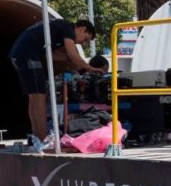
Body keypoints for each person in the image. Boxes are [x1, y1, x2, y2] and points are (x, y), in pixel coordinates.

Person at [9, 19, 105, 151]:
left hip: (20, 54)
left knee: (33, 98)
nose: (83, 42)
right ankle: (43, 140)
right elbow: (73, 55)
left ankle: (36, 137)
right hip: (28, 54)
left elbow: (55, 55)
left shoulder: (57, 32)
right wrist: (91, 68)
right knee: (40, 97)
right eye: (85, 39)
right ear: (82, 29)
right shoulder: (68, 28)